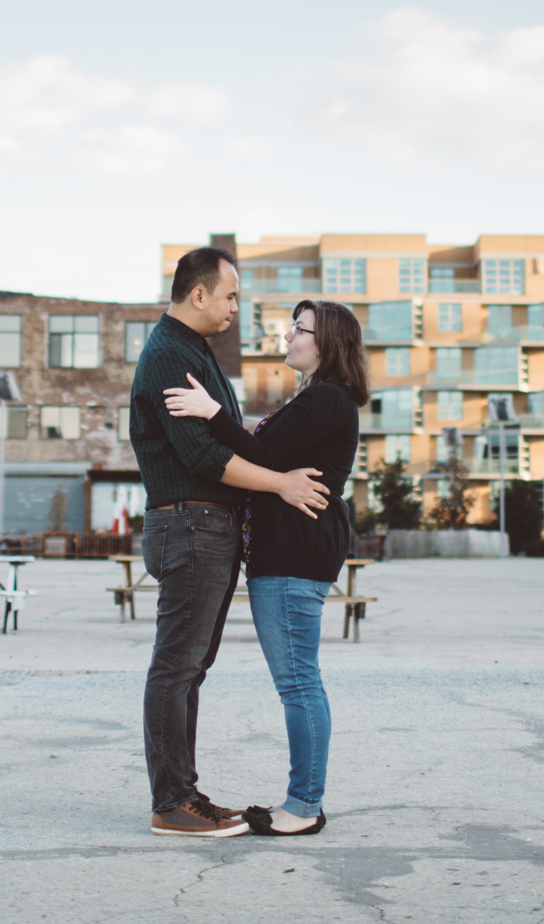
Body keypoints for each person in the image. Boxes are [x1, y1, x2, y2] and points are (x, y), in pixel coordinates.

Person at [131, 245, 332, 839]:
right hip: (189, 524)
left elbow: (226, 437)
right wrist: (282, 484)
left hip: (204, 528)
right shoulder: (170, 354)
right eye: (230, 295)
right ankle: (172, 803)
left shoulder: (192, 350)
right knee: (177, 668)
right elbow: (203, 455)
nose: (235, 307)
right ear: (199, 294)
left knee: (189, 668)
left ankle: (184, 795)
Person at [164, 296, 365, 836]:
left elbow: (264, 454)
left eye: (300, 330)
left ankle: (302, 807)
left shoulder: (327, 398)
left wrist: (212, 413)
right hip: (295, 553)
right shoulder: (320, 399)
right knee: (299, 681)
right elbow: (270, 445)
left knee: (298, 683)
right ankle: (303, 801)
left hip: (295, 555)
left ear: (328, 343)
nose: (289, 337)